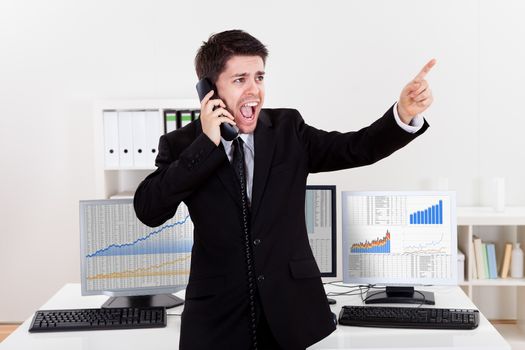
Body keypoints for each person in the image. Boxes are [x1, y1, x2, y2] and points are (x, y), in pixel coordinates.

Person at [134, 29, 434, 350]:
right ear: (210, 90)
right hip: (217, 319)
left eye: (259, 77)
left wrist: (403, 114)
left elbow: (356, 148)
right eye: (240, 80)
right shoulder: (182, 144)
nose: (254, 90)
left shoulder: (288, 129)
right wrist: (207, 143)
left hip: (293, 312)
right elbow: (149, 210)